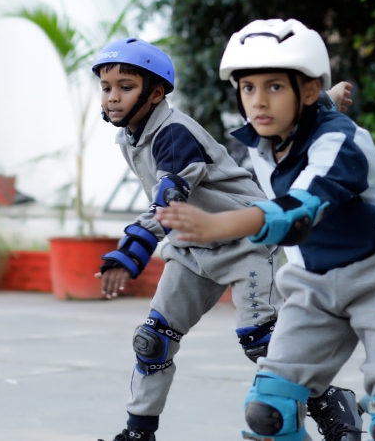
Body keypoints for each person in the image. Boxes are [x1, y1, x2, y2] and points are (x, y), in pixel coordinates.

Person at [155, 19, 375, 441]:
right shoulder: (273, 130)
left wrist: (218, 224)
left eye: (274, 87)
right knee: (268, 412)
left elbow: (296, 211)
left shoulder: (343, 144)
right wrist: (330, 94)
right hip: (312, 286)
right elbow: (311, 105)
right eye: (248, 88)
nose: (258, 102)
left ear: (304, 91)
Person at [91, 37, 361, 441]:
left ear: (156, 93)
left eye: (125, 87)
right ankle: (138, 432)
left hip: (244, 243)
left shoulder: (174, 133)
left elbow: (169, 198)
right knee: (153, 342)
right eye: (106, 87)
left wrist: (131, 252)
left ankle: (329, 400)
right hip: (192, 248)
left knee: (263, 343)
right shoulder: (130, 136)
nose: (113, 97)